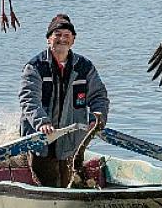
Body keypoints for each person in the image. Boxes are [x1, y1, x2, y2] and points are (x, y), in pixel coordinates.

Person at [19, 13, 109, 187]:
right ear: (48, 40)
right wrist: (42, 122)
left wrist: (98, 117)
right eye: (57, 35)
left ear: (73, 40)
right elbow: (28, 99)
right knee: (49, 184)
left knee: (70, 182)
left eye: (66, 36)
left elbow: (99, 97)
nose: (62, 39)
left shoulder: (85, 67)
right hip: (42, 140)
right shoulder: (35, 67)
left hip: (71, 140)